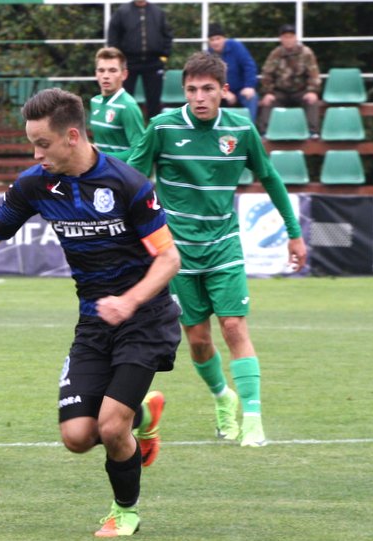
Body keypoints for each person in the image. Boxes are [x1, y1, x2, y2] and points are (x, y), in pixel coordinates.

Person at [0, 88, 180, 537]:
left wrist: (129, 300)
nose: (36, 154)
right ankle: (142, 416)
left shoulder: (127, 184)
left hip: (144, 318)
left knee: (110, 426)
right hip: (94, 322)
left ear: (72, 136)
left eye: (42, 144)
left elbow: (168, 258)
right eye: (32, 144)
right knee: (77, 437)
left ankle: (125, 511)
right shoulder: (36, 184)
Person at [128, 52, 307, 447]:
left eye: (208, 89)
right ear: (184, 91)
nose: (199, 97)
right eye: (192, 89)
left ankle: (254, 419)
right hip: (177, 254)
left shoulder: (241, 130)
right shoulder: (162, 127)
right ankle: (223, 397)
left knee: (233, 326)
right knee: (198, 339)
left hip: (224, 245)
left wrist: (294, 233)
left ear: (224, 90)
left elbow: (270, 177)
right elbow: (132, 176)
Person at [107, 0, 173, 120]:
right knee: (124, 97)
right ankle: (123, 125)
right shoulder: (122, 12)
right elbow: (113, 37)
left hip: (154, 63)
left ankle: (154, 128)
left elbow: (167, 35)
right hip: (128, 63)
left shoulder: (158, 12)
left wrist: (164, 57)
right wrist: (118, 59)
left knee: (154, 101)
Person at [257, 24, 322, 138]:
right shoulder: (275, 54)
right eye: (285, 37)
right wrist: (268, 92)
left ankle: (313, 133)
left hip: (301, 91)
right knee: (267, 101)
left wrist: (312, 91)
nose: (288, 40)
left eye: (291, 36)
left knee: (312, 101)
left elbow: (314, 74)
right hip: (280, 91)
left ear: (296, 38)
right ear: (281, 39)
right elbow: (267, 74)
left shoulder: (306, 53)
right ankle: (264, 133)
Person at [89, 46, 146, 160]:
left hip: (120, 170)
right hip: (101, 168)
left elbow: (140, 152)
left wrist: (102, 157)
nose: (106, 76)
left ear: (124, 75)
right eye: (101, 70)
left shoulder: (128, 106)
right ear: (96, 73)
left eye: (112, 70)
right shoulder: (95, 101)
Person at [206, 23, 259, 124]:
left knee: (251, 97)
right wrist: (223, 92)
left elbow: (249, 66)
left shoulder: (236, 46)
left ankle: (249, 127)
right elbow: (209, 79)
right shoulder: (208, 55)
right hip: (220, 91)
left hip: (241, 89)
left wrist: (249, 86)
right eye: (212, 40)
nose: (215, 42)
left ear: (224, 38)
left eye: (218, 38)